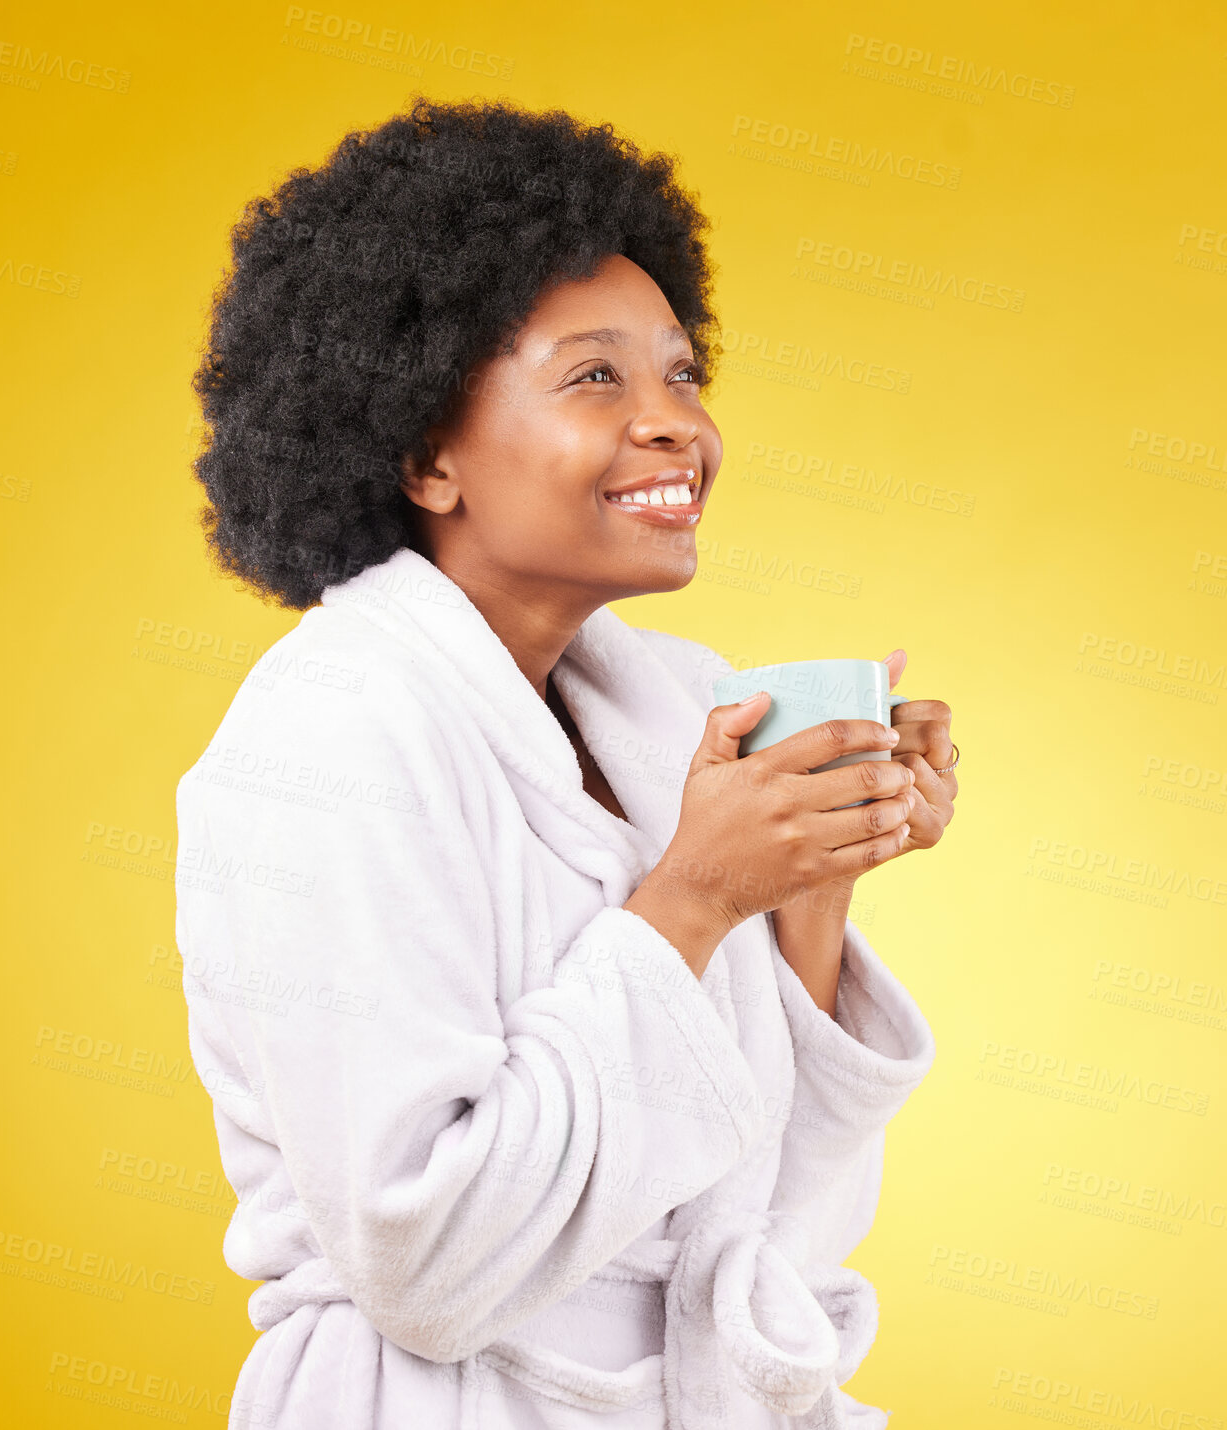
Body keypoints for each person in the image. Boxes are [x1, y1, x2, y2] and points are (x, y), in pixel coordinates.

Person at [175, 94, 958, 1430]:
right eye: (596, 376)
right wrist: (698, 896)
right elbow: (428, 1264)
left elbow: (759, 1225)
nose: (672, 424)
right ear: (425, 449)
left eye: (680, 372)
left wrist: (809, 889)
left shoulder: (669, 706)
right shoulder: (329, 733)